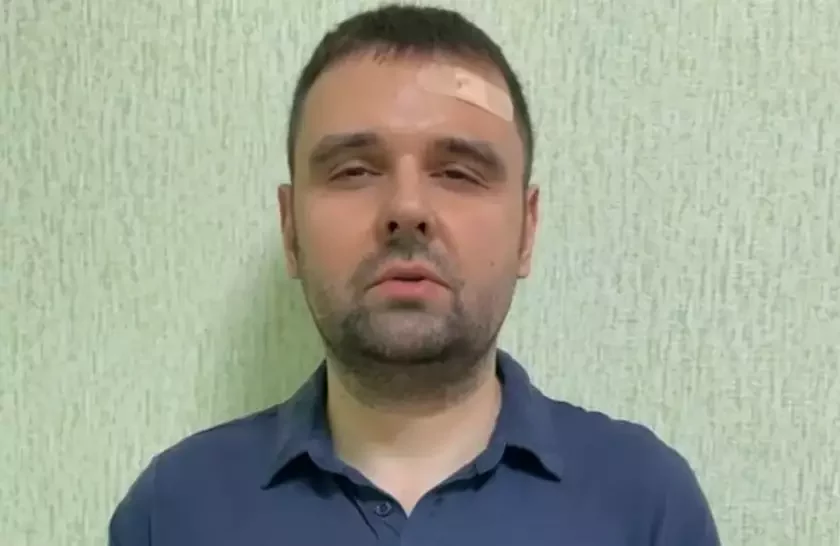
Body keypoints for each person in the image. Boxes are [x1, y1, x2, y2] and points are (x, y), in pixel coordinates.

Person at [108, 4, 721, 545]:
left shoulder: (646, 505)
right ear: (290, 230)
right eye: (354, 170)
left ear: (527, 230)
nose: (407, 209)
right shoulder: (174, 512)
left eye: (458, 172)